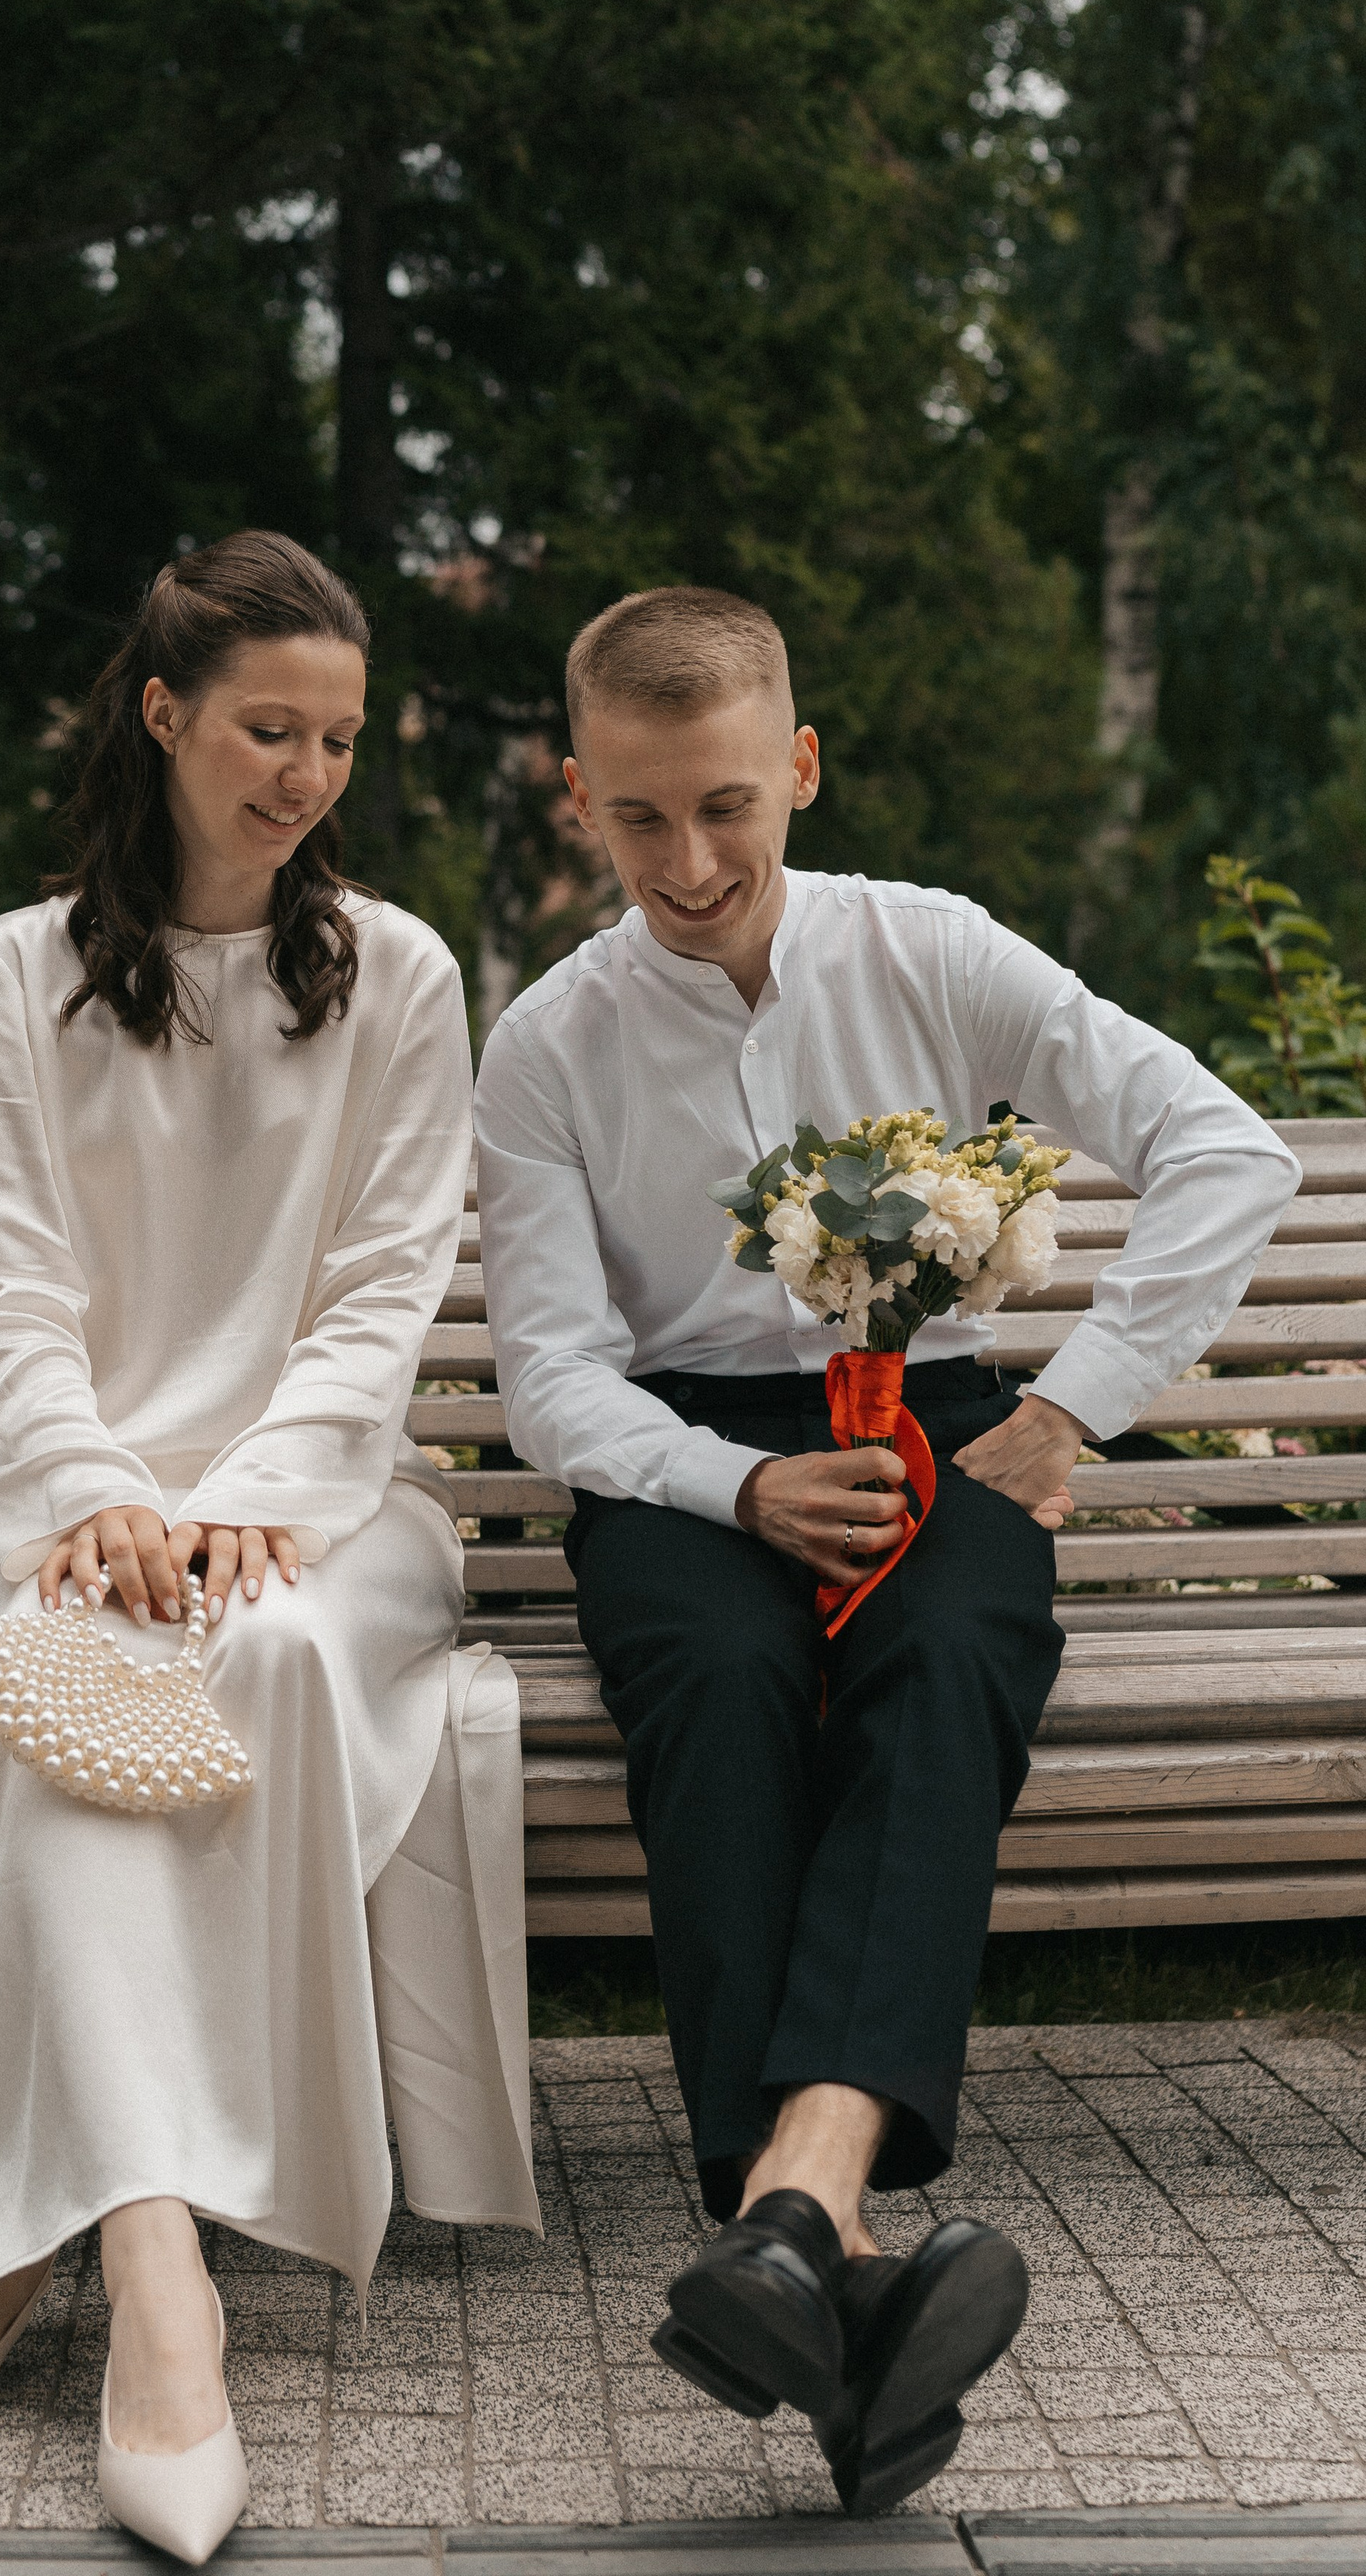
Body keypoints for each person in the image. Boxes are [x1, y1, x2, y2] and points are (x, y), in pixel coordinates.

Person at [473, 584, 1298, 2518]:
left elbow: (1224, 1150)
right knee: (725, 1681)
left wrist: (1067, 1404)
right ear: (577, 794)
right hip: (687, 1463)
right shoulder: (544, 1046)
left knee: (938, 1669)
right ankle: (827, 2255)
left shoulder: (931, 954)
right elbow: (547, 1378)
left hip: (946, 1424)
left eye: (731, 808)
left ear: (803, 771)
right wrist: (731, 1491)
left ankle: (787, 2209)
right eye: (642, 818)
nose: (691, 863)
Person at [0, 533, 537, 2561]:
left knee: (272, 1654)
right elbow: (13, 1295)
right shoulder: (10, 971)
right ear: (161, 716)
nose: (303, 774)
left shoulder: (395, 972)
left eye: (334, 739)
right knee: (63, 1680)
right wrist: (96, 1498)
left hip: (326, 1503)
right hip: (41, 1497)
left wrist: (238, 1507)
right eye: (262, 730)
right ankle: (158, 2286)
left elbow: (384, 1295)